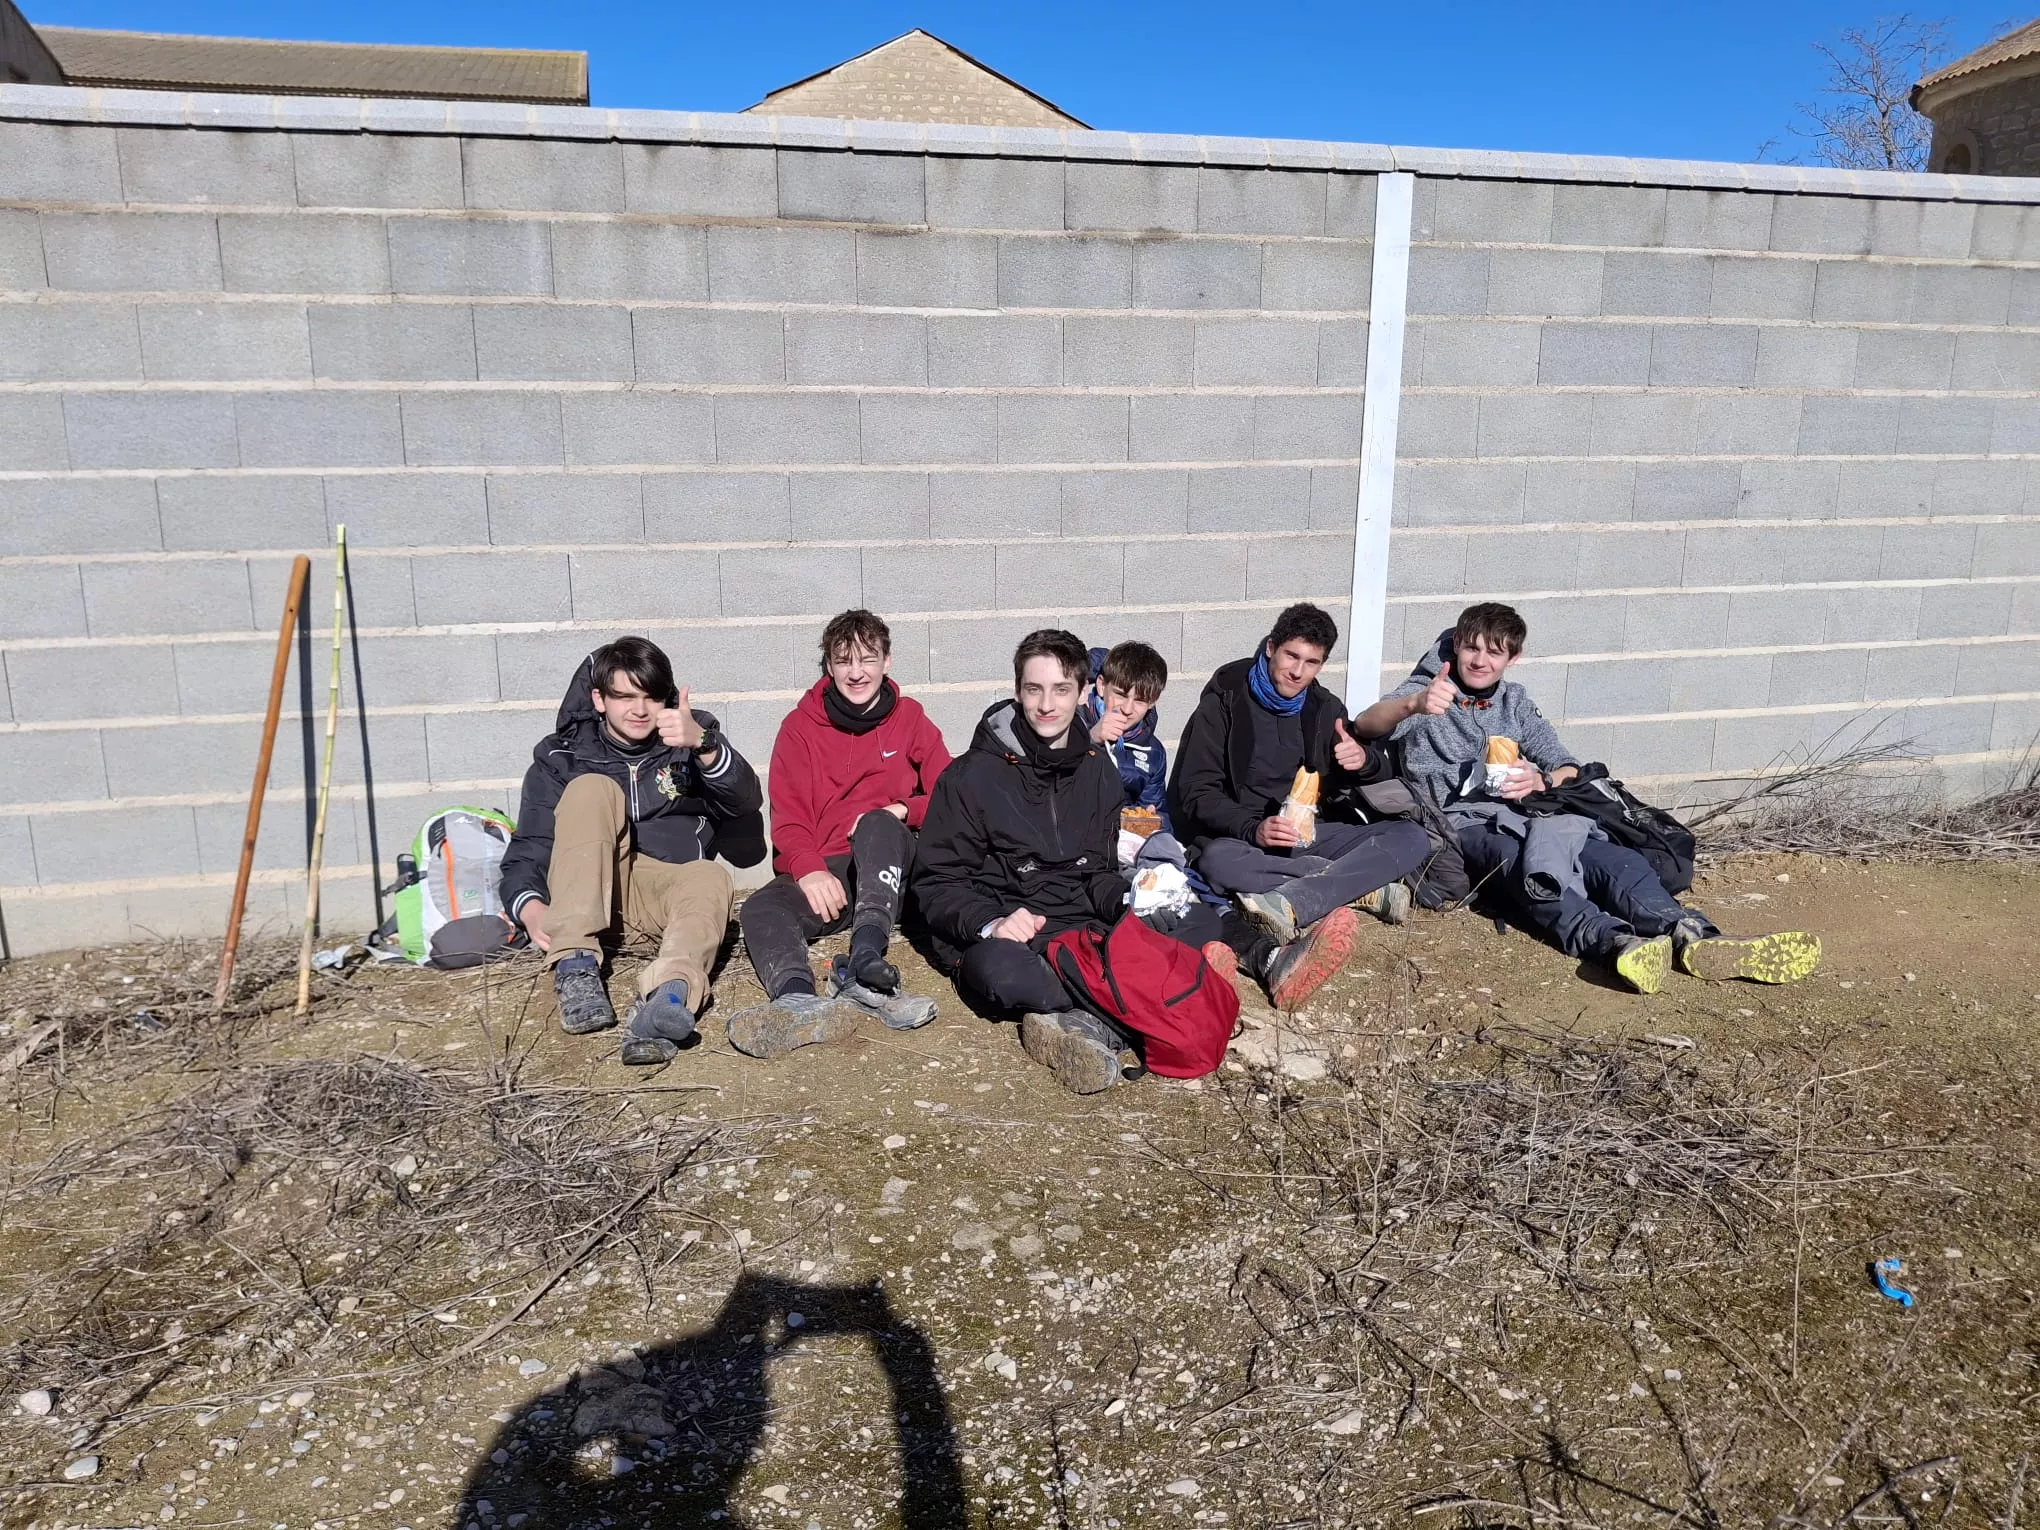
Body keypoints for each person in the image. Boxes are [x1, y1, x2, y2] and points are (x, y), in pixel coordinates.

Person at [1350, 601, 1821, 993]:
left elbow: (1566, 763)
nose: (1480, 661)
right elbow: (1367, 725)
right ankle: (1615, 944)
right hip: (1465, 824)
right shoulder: (1427, 691)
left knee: (1610, 858)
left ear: (1512, 658)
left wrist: (1542, 782)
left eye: (1494, 653)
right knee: (1530, 868)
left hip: (1531, 811)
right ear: (1456, 646)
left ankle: (1689, 933)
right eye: (1471, 648)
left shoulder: (1514, 701)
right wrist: (1413, 705)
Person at [914, 629, 1241, 1093]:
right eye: (1035, 689)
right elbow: (937, 882)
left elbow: (1098, 873)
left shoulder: (1098, 772)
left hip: (1081, 923)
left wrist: (1128, 901)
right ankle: (1151, 986)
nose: (1047, 704)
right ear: (1018, 690)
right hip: (1013, 931)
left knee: (1198, 922)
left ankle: (1090, 1022)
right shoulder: (970, 776)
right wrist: (992, 922)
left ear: (1086, 692)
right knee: (1005, 977)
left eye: (1062, 689)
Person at [498, 636, 762, 1065]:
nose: (639, 710)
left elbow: (746, 802)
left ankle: (668, 997)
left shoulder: (690, 737)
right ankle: (576, 967)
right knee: (591, 790)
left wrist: (706, 746)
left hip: (659, 899)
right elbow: (529, 846)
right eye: (624, 696)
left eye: (650, 697)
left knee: (711, 875)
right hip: (587, 892)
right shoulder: (561, 757)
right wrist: (528, 908)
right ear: (599, 699)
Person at [1168, 602, 1432, 994]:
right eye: (1291, 656)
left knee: (1412, 837)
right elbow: (1195, 791)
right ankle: (1362, 886)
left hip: (1305, 834)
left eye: (1311, 662)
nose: (1297, 671)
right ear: (1272, 647)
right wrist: (1252, 828)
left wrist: (1363, 762)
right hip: (1240, 838)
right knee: (1217, 864)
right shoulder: (1224, 700)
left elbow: (1364, 769)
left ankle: (1295, 899)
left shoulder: (1323, 708)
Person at [727, 610, 952, 1058]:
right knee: (761, 907)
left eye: (868, 659)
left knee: (876, 822)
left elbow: (952, 795)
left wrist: (904, 808)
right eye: (843, 660)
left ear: (887, 662)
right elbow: (789, 819)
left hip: (900, 868)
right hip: (838, 872)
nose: (856, 672)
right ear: (828, 666)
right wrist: (808, 869)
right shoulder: (799, 729)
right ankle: (798, 1000)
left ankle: (866, 959)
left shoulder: (910, 719)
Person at [1078, 641, 1169, 813]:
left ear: (1152, 702)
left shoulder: (1153, 752)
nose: (1127, 709)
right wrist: (1090, 739)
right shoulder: (1069, 719)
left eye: (1140, 700)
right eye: (1120, 695)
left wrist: (1151, 826)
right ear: (1101, 685)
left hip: (1121, 836)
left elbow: (1158, 813)